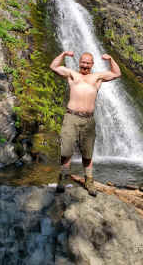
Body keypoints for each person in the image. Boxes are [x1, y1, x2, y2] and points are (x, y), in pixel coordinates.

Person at [50, 51, 121, 196]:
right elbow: (54, 66)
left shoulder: (97, 77)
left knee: (87, 154)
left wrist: (111, 58)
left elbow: (116, 73)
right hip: (71, 117)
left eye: (88, 62)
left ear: (92, 64)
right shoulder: (72, 75)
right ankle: (62, 180)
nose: (85, 65)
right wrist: (63, 54)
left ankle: (89, 181)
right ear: (79, 62)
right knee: (66, 152)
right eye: (83, 62)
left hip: (88, 120)